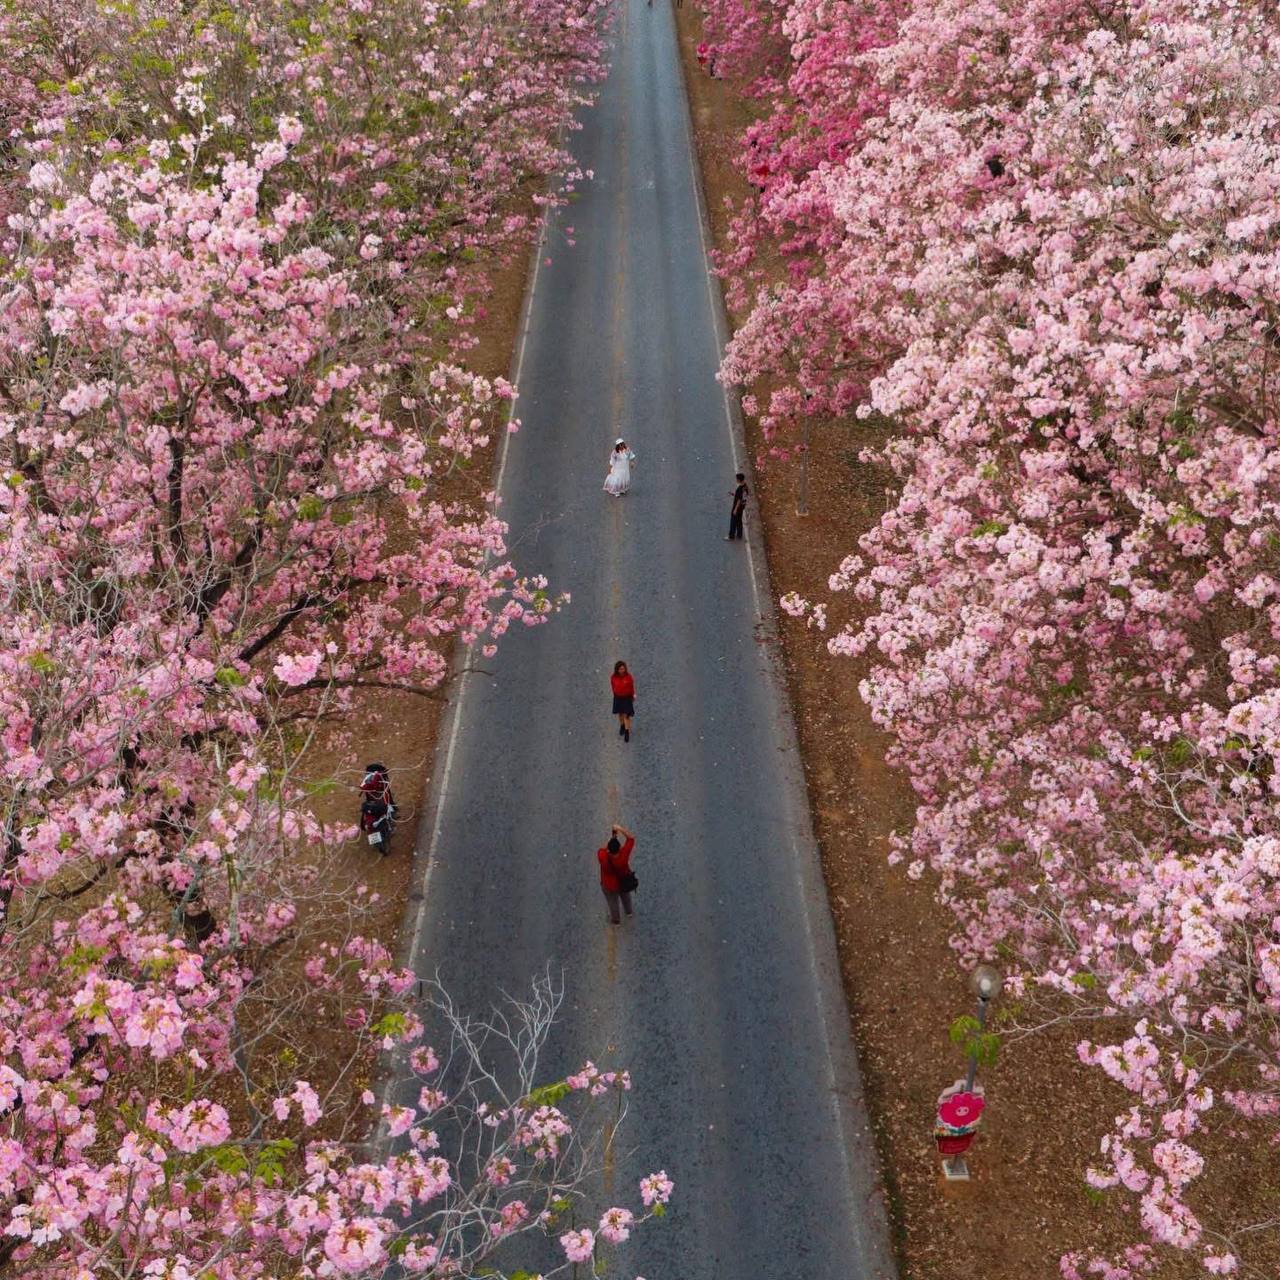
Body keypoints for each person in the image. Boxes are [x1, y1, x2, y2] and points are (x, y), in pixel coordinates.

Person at [597, 824, 637, 924]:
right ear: (619, 848)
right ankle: (629, 912)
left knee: (613, 902)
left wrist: (611, 839)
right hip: (623, 881)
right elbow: (631, 838)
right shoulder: (623, 855)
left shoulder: (603, 856)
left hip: (609, 885)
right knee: (626, 897)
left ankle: (616, 921)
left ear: (609, 850)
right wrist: (619, 828)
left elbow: (602, 849)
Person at [611, 660, 635, 742]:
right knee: (620, 714)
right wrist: (615, 694)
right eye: (620, 669)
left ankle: (627, 731)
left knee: (626, 716)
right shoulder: (613, 677)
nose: (622, 670)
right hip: (618, 698)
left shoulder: (629, 677)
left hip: (626, 698)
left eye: (623, 669)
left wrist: (633, 695)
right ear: (617, 669)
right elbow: (613, 686)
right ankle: (622, 725)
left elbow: (631, 687)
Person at [727, 472, 749, 540]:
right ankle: (739, 534)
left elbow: (739, 500)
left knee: (733, 521)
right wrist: (733, 494)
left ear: (739, 480)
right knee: (739, 520)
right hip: (742, 506)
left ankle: (731, 536)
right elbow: (743, 496)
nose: (736, 480)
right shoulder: (745, 486)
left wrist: (735, 509)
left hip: (738, 507)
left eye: (737, 479)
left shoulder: (740, 489)